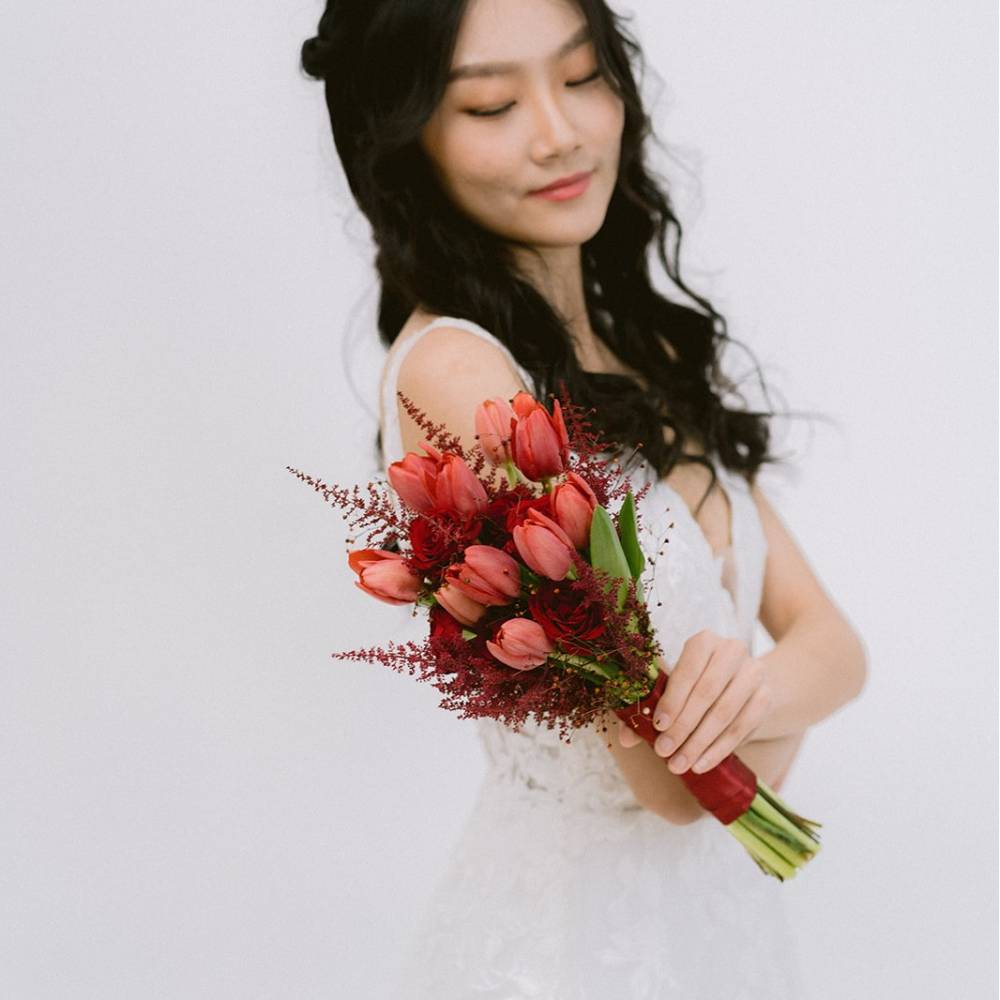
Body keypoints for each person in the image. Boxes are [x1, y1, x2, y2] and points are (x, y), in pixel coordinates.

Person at [301, 1, 868, 996]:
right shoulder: (456, 375)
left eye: (579, 76)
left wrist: (751, 702)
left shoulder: (640, 353)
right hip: (568, 950)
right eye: (489, 104)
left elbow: (834, 644)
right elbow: (669, 788)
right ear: (401, 139)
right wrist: (753, 722)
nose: (558, 131)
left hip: (712, 925)